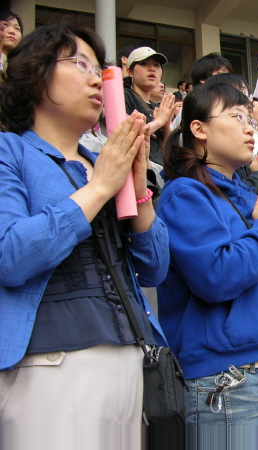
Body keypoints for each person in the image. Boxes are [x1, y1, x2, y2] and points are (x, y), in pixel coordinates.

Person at [0, 21, 168, 449]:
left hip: (130, 357)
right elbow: (11, 255)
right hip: (51, 361)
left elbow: (154, 267)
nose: (97, 78)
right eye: (79, 64)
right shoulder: (10, 151)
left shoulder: (102, 159)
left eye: (100, 68)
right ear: (36, 74)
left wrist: (138, 188)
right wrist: (98, 188)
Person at [157, 83, 258, 449]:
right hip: (225, 377)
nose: (249, 126)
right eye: (236, 116)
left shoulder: (244, 192)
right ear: (199, 129)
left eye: (249, 117)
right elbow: (217, 277)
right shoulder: (185, 193)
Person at [203, 73, 258, 196]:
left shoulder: (235, 162)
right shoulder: (186, 191)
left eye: (247, 120)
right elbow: (234, 202)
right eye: (238, 116)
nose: (250, 130)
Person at [125, 46, 176, 165]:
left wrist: (166, 125)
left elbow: (170, 149)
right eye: (144, 63)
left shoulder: (157, 107)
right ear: (130, 72)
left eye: (157, 65)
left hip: (161, 170)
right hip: (139, 169)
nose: (152, 69)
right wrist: (159, 121)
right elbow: (124, 135)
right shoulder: (124, 96)